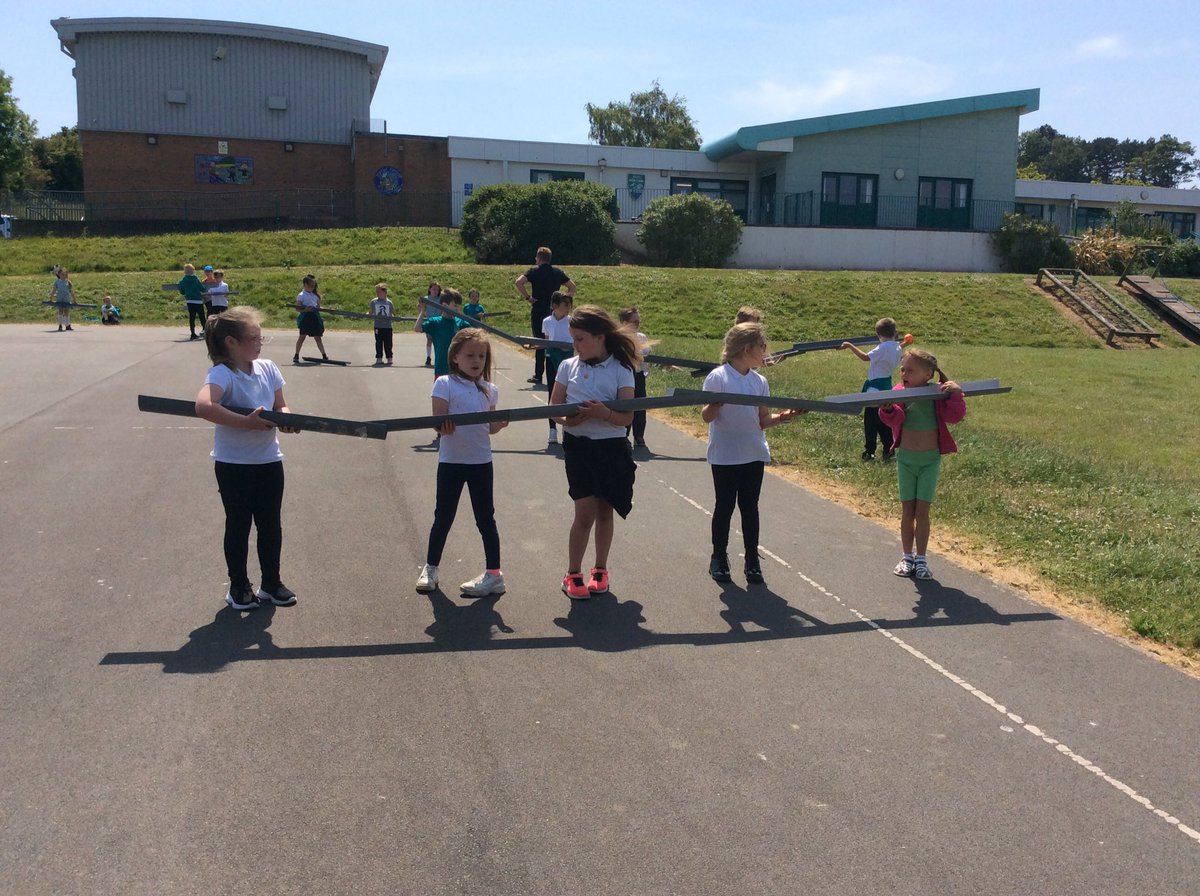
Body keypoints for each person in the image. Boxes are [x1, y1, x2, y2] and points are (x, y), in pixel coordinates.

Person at [194, 306, 300, 611]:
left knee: (271, 525)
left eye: (260, 336)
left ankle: (271, 584)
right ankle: (239, 587)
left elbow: (281, 406)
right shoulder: (222, 374)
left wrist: (286, 420)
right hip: (233, 465)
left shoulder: (268, 368)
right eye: (254, 337)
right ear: (231, 342)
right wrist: (246, 423)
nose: (260, 342)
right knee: (239, 525)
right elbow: (203, 406)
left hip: (269, 460)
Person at [701, 322, 804, 584]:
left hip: (753, 452)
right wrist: (716, 404)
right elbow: (707, 416)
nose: (765, 351)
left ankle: (752, 560)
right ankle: (719, 558)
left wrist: (783, 417)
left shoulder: (760, 381)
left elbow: (762, 420)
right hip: (725, 454)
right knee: (724, 506)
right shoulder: (719, 377)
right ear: (747, 349)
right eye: (762, 346)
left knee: (750, 507)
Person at [549, 305, 639, 599]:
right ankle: (572, 573)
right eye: (573, 339)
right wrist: (569, 420)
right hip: (578, 447)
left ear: (600, 337)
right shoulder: (567, 367)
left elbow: (627, 418)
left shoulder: (622, 369)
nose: (575, 346)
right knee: (584, 513)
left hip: (611, 448)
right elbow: (554, 410)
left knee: (604, 511)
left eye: (580, 339)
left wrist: (604, 413)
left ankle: (600, 570)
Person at [415, 329, 509, 598]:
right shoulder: (444, 383)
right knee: (443, 517)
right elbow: (438, 421)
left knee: (485, 518)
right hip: (452, 461)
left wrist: (499, 425)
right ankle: (431, 568)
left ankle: (494, 575)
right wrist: (442, 427)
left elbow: (490, 429)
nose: (476, 360)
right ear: (455, 357)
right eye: (470, 355)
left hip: (481, 461)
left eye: (481, 355)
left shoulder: (491, 389)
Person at [877, 347, 966, 581]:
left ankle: (922, 559)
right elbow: (895, 418)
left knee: (923, 511)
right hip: (906, 459)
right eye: (902, 369)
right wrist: (887, 410)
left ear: (928, 374)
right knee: (908, 510)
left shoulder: (937, 393)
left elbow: (954, 416)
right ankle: (907, 557)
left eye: (910, 370)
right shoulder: (898, 392)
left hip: (929, 460)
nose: (904, 374)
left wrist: (956, 393)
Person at [841, 317, 902, 461]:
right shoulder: (897, 347)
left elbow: (865, 357)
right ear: (895, 332)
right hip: (887, 387)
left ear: (878, 334)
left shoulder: (882, 348)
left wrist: (850, 345)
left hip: (874, 390)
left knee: (870, 423)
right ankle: (888, 449)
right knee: (884, 421)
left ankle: (869, 451)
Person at [515, 247, 576, 385]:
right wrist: (565, 301)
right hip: (555, 309)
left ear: (539, 258)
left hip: (538, 308)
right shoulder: (557, 272)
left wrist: (527, 297)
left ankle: (538, 374)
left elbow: (519, 282)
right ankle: (559, 372)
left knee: (540, 341)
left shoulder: (534, 271)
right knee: (556, 340)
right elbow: (572, 287)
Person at [541, 291, 573, 446]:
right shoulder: (547, 321)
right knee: (553, 391)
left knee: (569, 391)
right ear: (554, 306)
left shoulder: (572, 322)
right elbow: (547, 340)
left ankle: (568, 425)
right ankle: (552, 428)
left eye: (569, 305)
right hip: (552, 358)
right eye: (565, 305)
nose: (568, 308)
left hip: (568, 358)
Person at [417, 287, 470, 377]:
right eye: (455, 306)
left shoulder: (461, 323)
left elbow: (477, 333)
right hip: (441, 369)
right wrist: (422, 311)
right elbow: (417, 328)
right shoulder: (435, 322)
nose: (458, 309)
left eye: (459, 306)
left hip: (458, 370)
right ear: (444, 305)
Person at [618, 307, 652, 449]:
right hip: (624, 375)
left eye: (639, 321)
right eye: (634, 322)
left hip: (638, 374)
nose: (637, 324)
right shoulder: (618, 337)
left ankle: (639, 435)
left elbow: (647, 356)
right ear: (625, 322)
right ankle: (623, 434)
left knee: (640, 404)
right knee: (625, 405)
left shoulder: (642, 337)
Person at [292, 274, 327, 364]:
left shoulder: (315, 296)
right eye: (310, 285)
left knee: (318, 338)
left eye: (313, 285)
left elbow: (318, 307)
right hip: (306, 318)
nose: (312, 287)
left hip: (314, 317)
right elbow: (297, 308)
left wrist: (324, 309)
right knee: (302, 337)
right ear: (305, 284)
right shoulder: (301, 295)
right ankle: (296, 355)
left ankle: (324, 355)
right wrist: (305, 309)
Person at [415, 281, 442, 367]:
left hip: (438, 322)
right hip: (430, 322)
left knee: (438, 341)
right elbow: (420, 307)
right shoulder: (426, 299)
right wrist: (422, 313)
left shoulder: (440, 299)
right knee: (429, 340)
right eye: (433, 289)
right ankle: (428, 356)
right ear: (429, 289)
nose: (435, 291)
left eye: (437, 289)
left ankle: (438, 357)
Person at [178, 263, 207, 340]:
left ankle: (192, 333)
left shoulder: (183, 280)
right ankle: (206, 331)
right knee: (202, 317)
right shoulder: (195, 279)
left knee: (192, 317)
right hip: (198, 300)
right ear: (192, 271)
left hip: (189, 300)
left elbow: (182, 291)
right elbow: (202, 288)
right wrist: (205, 289)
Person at [369, 282, 395, 365]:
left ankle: (389, 357)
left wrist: (393, 317)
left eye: (379, 291)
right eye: (376, 291)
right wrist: (368, 315)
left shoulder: (389, 303)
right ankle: (379, 358)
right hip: (378, 326)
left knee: (388, 343)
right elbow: (371, 312)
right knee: (378, 342)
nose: (377, 293)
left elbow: (391, 313)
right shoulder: (374, 302)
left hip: (387, 327)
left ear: (384, 292)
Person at [49, 266, 76, 332]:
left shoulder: (68, 282)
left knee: (67, 312)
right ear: (59, 275)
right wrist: (51, 298)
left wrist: (74, 300)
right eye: (62, 274)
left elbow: (71, 291)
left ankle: (67, 325)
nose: (64, 276)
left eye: (65, 274)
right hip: (60, 299)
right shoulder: (57, 282)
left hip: (66, 299)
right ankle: (60, 325)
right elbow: (54, 290)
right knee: (60, 311)